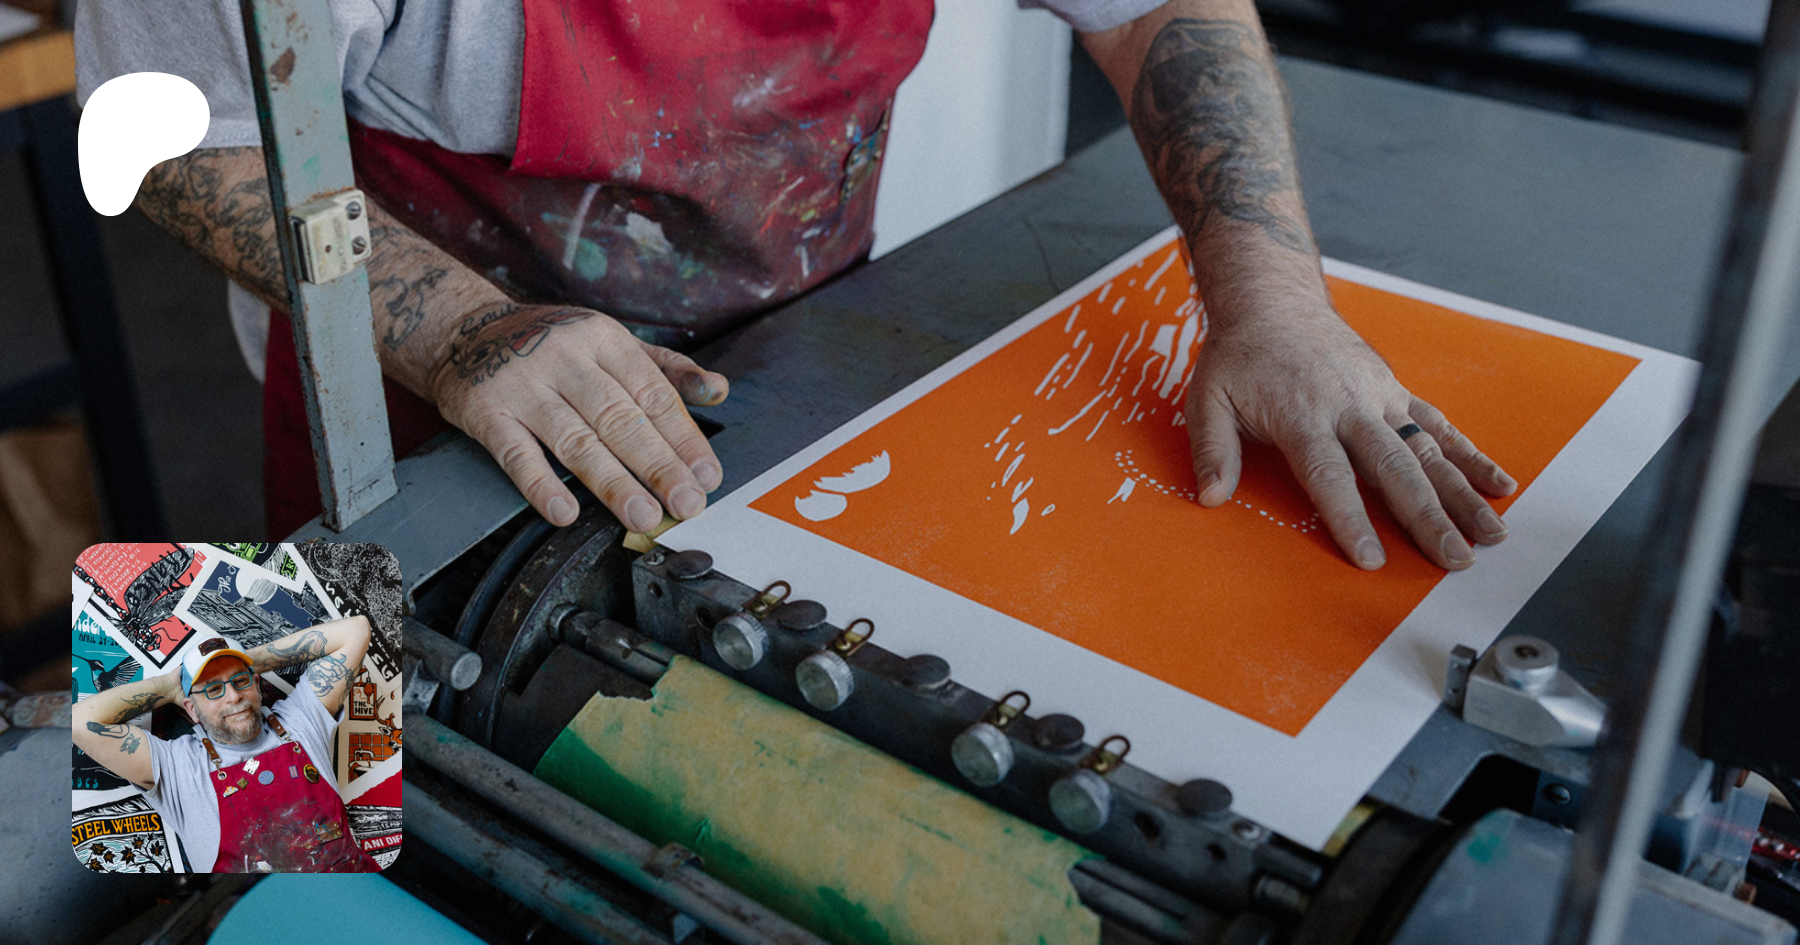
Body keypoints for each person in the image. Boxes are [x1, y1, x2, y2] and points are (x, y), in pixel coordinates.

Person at [75, 0, 1514, 568]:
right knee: (279, 855)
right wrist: (462, 329)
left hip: (794, 399)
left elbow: (1158, 8)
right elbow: (157, 129)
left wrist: (1272, 299)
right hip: (402, 433)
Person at [70, 618, 380, 872]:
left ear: (256, 685)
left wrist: (247, 659)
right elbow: (79, 721)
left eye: (240, 681)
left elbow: (355, 630)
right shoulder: (178, 766)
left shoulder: (301, 721)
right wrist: (170, 686)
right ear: (191, 709)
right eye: (213, 689)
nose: (233, 697)